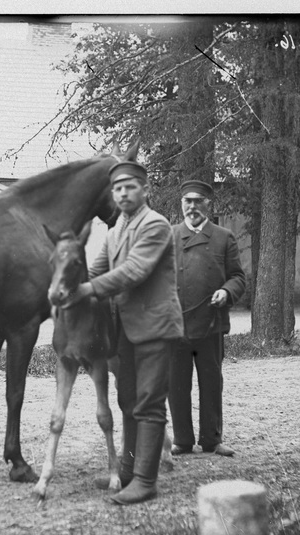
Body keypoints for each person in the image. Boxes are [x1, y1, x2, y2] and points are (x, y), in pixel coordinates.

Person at [63, 161, 183, 505]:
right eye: (117, 189)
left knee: (148, 401)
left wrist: (87, 291)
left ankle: (146, 481)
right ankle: (128, 472)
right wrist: (65, 281)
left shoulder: (156, 225)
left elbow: (134, 271)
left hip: (156, 327)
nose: (123, 193)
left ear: (145, 191)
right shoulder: (114, 232)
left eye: (130, 187)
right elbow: (96, 268)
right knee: (126, 399)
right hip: (126, 329)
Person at [168, 180, 246, 457]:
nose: (192, 207)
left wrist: (227, 292)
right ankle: (182, 440)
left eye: (198, 201)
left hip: (211, 323)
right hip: (176, 326)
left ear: (207, 205)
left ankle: (212, 440)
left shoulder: (224, 237)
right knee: (176, 385)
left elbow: (238, 277)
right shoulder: (170, 236)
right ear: (182, 205)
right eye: (187, 202)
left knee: (211, 383)